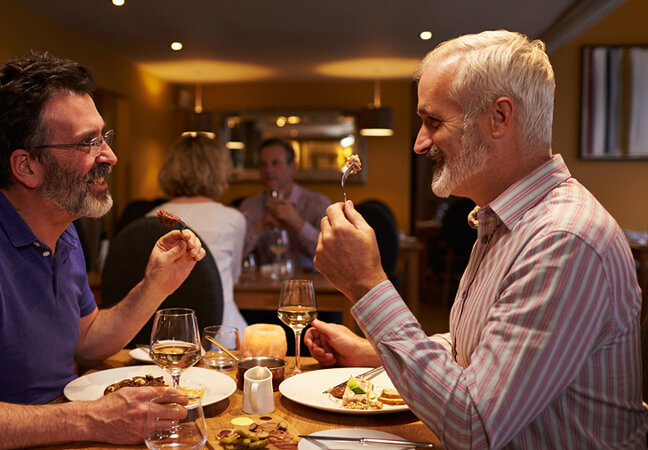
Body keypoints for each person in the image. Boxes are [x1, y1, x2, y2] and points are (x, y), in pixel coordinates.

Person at [305, 30, 647, 448]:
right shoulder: (504, 220)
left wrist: (367, 285)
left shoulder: (563, 239)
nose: (419, 143)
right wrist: (372, 352)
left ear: (499, 118)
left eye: (434, 121)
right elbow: (478, 354)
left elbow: (475, 427)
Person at [0, 51, 204, 448]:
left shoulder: (64, 233)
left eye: (103, 137)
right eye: (87, 142)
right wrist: (91, 419)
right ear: (27, 167)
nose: (110, 156)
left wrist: (155, 285)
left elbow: (86, 341)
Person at [148, 134, 248, 332]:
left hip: (167, 330)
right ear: (219, 171)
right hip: (222, 333)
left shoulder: (151, 217)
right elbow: (235, 277)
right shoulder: (233, 219)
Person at [239, 138, 330, 270]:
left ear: (292, 167)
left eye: (275, 163)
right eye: (263, 164)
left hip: (311, 285)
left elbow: (331, 253)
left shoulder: (318, 203)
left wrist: (298, 223)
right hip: (262, 287)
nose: (268, 170)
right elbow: (236, 254)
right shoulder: (249, 205)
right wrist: (260, 225)